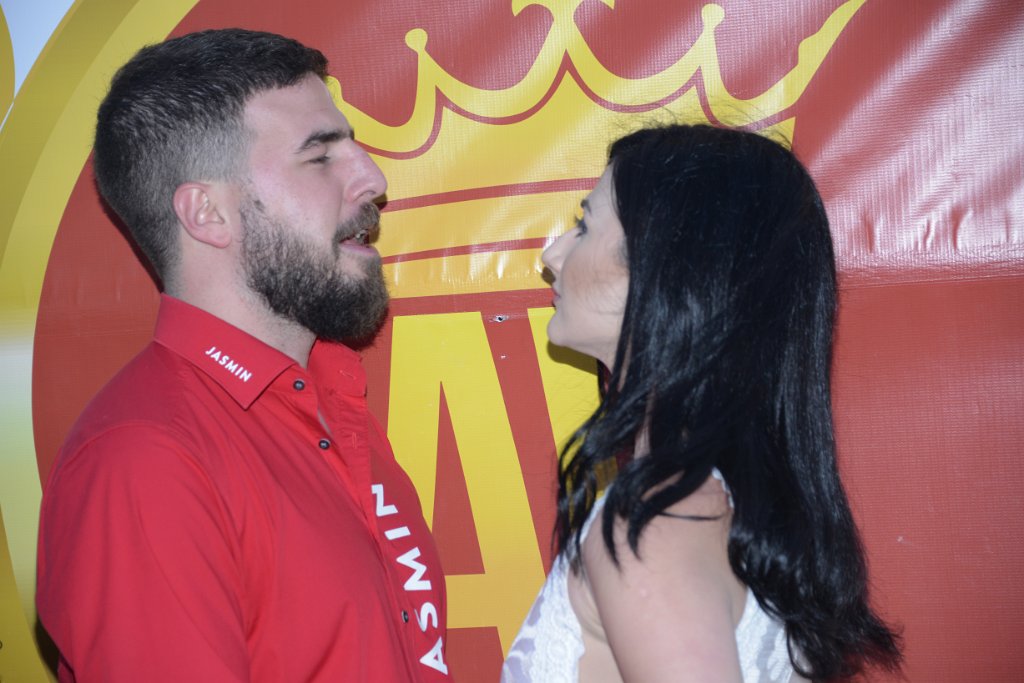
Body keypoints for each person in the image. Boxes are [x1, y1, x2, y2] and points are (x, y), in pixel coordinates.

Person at [36, 28, 448, 682]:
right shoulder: (145, 459)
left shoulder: (331, 402)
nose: (373, 179)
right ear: (207, 213)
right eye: (320, 155)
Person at [502, 124, 902, 682]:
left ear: (666, 266)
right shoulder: (717, 509)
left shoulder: (656, 523)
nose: (552, 255)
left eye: (585, 225)